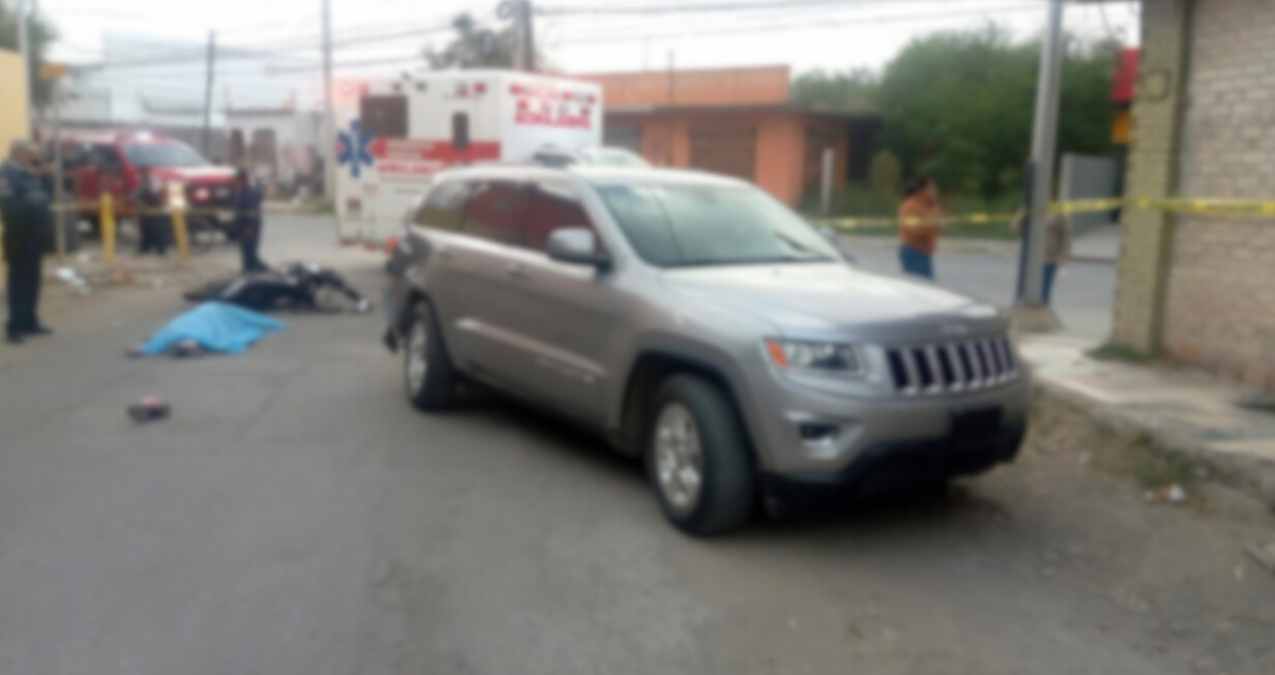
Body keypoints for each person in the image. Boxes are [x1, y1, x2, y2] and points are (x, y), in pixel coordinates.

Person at [1, 140, 54, 344]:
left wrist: (46, 175)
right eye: (33, 153)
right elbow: (9, 206)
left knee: (33, 281)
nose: (36, 157)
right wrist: (32, 209)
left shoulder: (30, 174)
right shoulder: (6, 174)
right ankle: (14, 327)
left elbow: (46, 197)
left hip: (35, 236)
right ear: (20, 154)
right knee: (18, 283)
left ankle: (30, 322)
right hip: (19, 236)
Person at [1011, 209, 1072, 305]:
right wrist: (1022, 214)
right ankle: (1029, 309)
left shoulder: (1058, 213)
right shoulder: (1031, 210)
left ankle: (1043, 308)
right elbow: (1015, 228)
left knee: (1044, 290)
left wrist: (1063, 257)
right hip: (1031, 259)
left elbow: (1066, 236)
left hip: (1049, 259)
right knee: (1027, 290)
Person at [897, 176, 943, 279]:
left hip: (925, 252)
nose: (935, 191)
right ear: (921, 190)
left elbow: (938, 225)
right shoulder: (910, 206)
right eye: (931, 188)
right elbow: (912, 229)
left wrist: (935, 224)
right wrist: (931, 226)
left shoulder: (932, 205)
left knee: (927, 284)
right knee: (918, 285)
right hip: (913, 251)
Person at [232, 167, 267, 273]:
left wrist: (249, 228)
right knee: (247, 252)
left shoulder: (249, 193)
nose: (236, 183)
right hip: (244, 227)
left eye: (238, 180)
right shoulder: (241, 192)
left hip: (250, 227)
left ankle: (253, 270)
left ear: (243, 179)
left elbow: (252, 212)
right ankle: (249, 268)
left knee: (249, 251)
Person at [135, 169, 172, 256]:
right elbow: (139, 194)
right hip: (148, 209)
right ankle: (146, 247)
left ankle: (159, 249)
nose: (141, 174)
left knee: (157, 230)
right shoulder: (144, 181)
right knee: (147, 229)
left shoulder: (153, 181)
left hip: (155, 209)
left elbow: (154, 194)